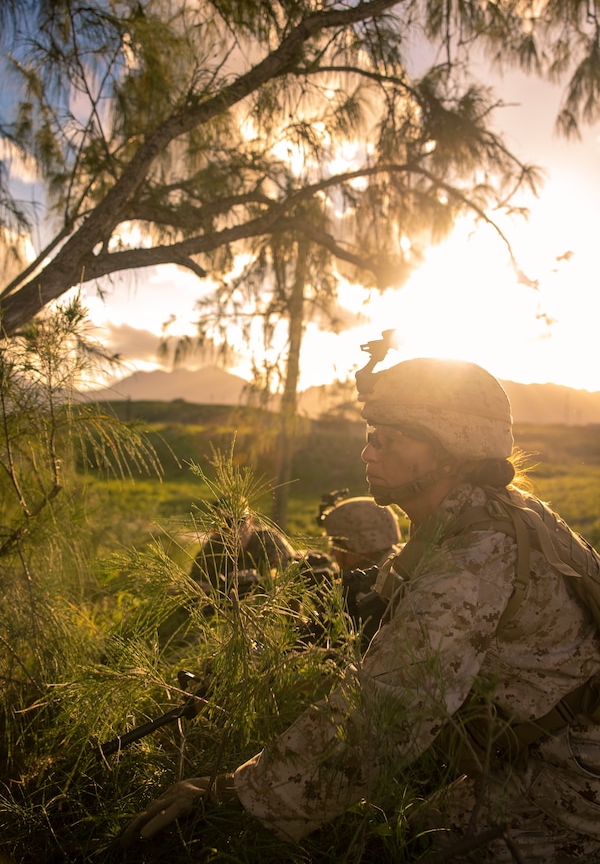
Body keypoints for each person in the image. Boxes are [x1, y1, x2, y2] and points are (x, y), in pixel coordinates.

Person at [123, 356, 600, 861]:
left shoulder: (475, 554)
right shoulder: (491, 512)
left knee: (397, 850)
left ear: (450, 451)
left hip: (574, 779)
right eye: (372, 434)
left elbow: (390, 709)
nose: (368, 452)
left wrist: (242, 792)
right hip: (541, 751)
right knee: (399, 833)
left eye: (389, 439)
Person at [190, 497, 296, 594]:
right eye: (226, 524)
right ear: (214, 530)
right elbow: (195, 584)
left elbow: (287, 578)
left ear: (250, 520)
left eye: (240, 521)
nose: (234, 530)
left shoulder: (270, 541)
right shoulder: (212, 549)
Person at [318, 494, 403, 574]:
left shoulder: (390, 581)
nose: (332, 554)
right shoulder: (395, 565)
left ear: (364, 543)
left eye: (339, 547)